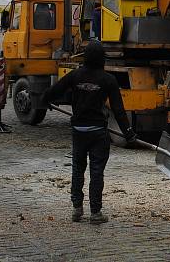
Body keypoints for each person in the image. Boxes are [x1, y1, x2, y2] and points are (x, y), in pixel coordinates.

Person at [42, 41, 136, 224]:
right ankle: (95, 213)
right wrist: (129, 132)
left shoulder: (75, 76)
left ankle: (77, 209)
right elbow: (118, 110)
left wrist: (46, 100)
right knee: (97, 171)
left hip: (79, 131)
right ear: (102, 59)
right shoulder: (108, 80)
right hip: (98, 133)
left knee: (78, 169)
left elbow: (55, 91)